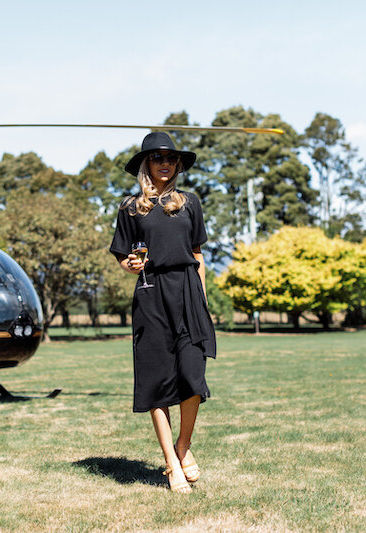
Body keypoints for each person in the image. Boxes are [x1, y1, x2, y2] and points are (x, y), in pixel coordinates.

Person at [109, 131, 216, 494]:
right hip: (151, 294)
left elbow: (198, 255)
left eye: (170, 158)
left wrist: (202, 301)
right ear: (146, 164)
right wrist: (129, 265)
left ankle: (183, 446)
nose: (165, 163)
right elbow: (123, 256)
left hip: (187, 291)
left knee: (192, 374)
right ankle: (172, 464)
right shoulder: (129, 208)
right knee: (156, 381)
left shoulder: (190, 203)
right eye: (157, 158)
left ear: (177, 164)